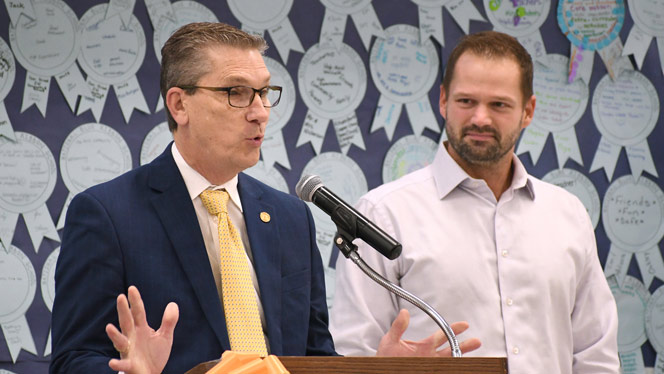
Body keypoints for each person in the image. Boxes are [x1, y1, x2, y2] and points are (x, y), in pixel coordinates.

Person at [50, 22, 478, 374]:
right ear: (179, 105)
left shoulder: (291, 217)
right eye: (236, 93)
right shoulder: (107, 214)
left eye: (264, 92)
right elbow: (71, 361)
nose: (259, 112)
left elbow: (313, 359)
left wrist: (379, 372)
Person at [330, 31, 620, 374]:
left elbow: (595, 355)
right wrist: (387, 368)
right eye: (466, 101)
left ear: (528, 111)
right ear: (443, 101)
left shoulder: (567, 214)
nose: (480, 118)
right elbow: (352, 354)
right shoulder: (383, 215)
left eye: (498, 104)